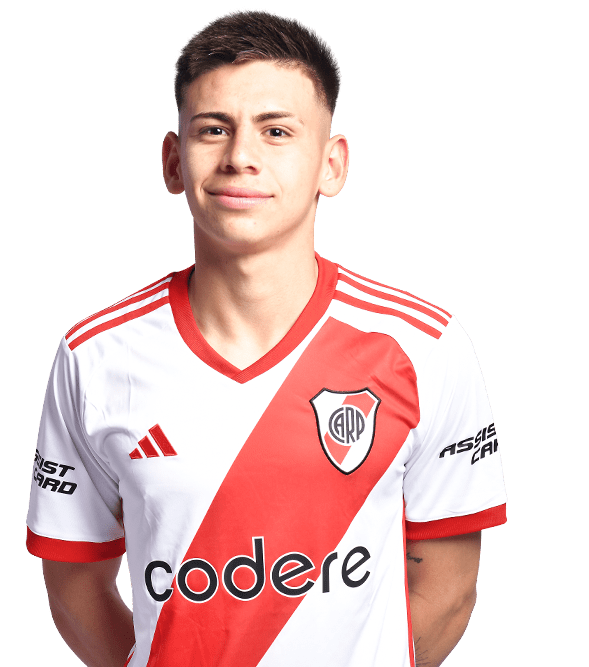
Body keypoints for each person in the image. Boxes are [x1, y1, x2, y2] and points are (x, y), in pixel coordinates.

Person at [26, 9, 507, 667]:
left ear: (331, 165)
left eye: (276, 131)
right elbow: (75, 591)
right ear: (173, 161)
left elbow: (447, 592)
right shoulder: (94, 356)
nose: (240, 158)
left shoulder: (425, 346)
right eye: (212, 129)